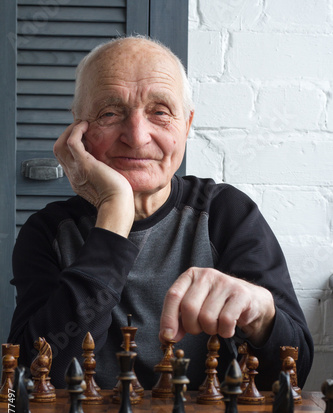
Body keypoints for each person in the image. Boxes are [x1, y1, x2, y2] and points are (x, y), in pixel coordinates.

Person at [8, 36, 313, 391]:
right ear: (79, 129)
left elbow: (295, 374)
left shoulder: (227, 215)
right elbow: (30, 379)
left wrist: (263, 315)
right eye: (109, 113)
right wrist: (115, 212)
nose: (137, 137)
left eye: (160, 112)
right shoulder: (47, 232)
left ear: (186, 125)